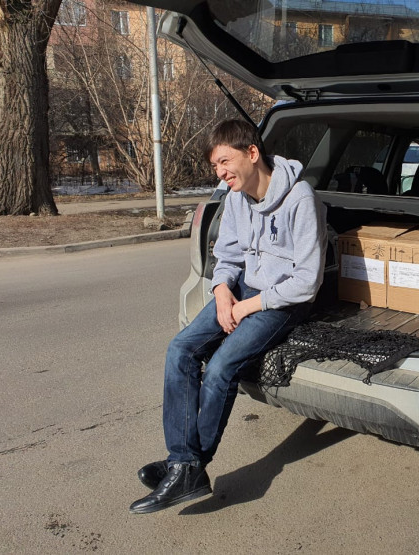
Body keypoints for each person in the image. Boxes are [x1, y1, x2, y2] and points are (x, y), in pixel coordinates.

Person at [129, 119, 327, 514]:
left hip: (282, 302)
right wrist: (221, 293)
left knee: (221, 368)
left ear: (252, 153)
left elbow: (307, 282)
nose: (220, 172)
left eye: (224, 161)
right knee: (180, 349)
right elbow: (228, 255)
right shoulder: (236, 196)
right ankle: (183, 461)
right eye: (214, 165)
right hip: (240, 291)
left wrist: (248, 306)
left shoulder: (300, 198)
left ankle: (188, 467)